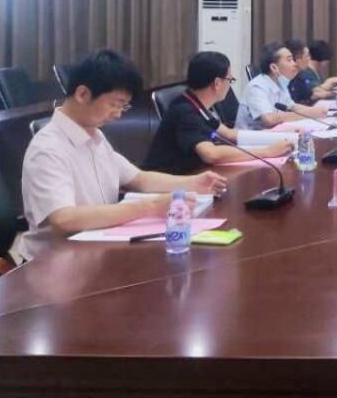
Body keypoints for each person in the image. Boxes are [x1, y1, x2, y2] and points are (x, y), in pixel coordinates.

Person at [19, 50, 228, 261]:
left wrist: (193, 182)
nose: (118, 114)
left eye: (123, 107)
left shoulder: (94, 135)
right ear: (82, 94)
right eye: (114, 104)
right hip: (54, 263)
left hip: (97, 253)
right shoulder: (48, 148)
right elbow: (64, 219)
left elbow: (139, 179)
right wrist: (151, 207)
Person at [143, 51, 294, 174]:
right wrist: (267, 152)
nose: (230, 84)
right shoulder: (185, 111)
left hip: (192, 175)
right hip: (166, 185)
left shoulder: (197, 104)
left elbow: (229, 134)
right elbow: (211, 154)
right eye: (230, 80)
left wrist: (287, 138)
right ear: (217, 83)